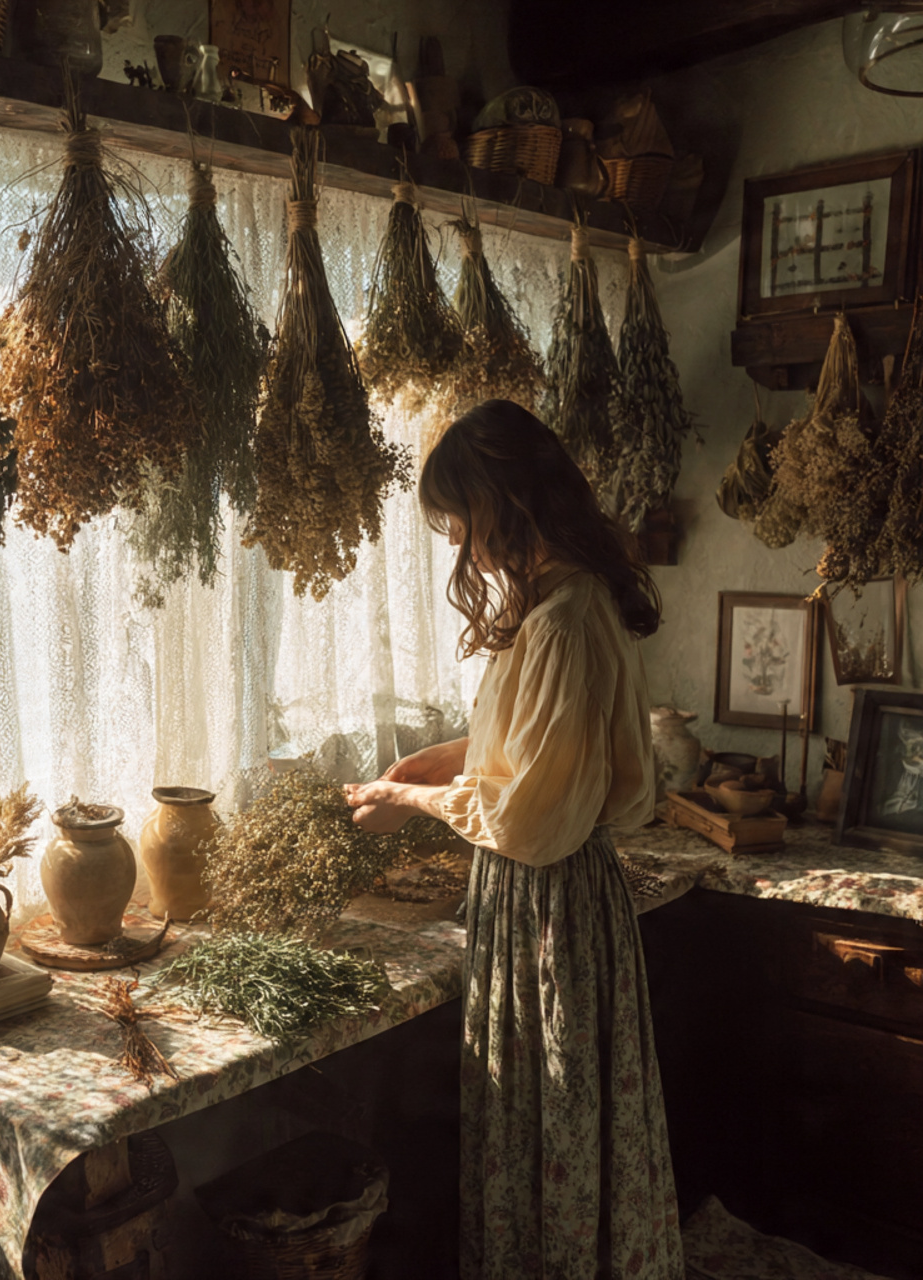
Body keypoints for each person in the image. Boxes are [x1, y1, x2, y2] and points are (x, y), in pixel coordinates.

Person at [344, 400, 683, 1279]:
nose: (463, 539)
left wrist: (407, 802)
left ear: (505, 502)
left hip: (549, 907)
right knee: (544, 1127)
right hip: (534, 903)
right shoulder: (551, 606)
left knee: (554, 1121)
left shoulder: (565, 620)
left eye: (462, 518)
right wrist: (434, 761)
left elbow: (528, 817)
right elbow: (527, 742)